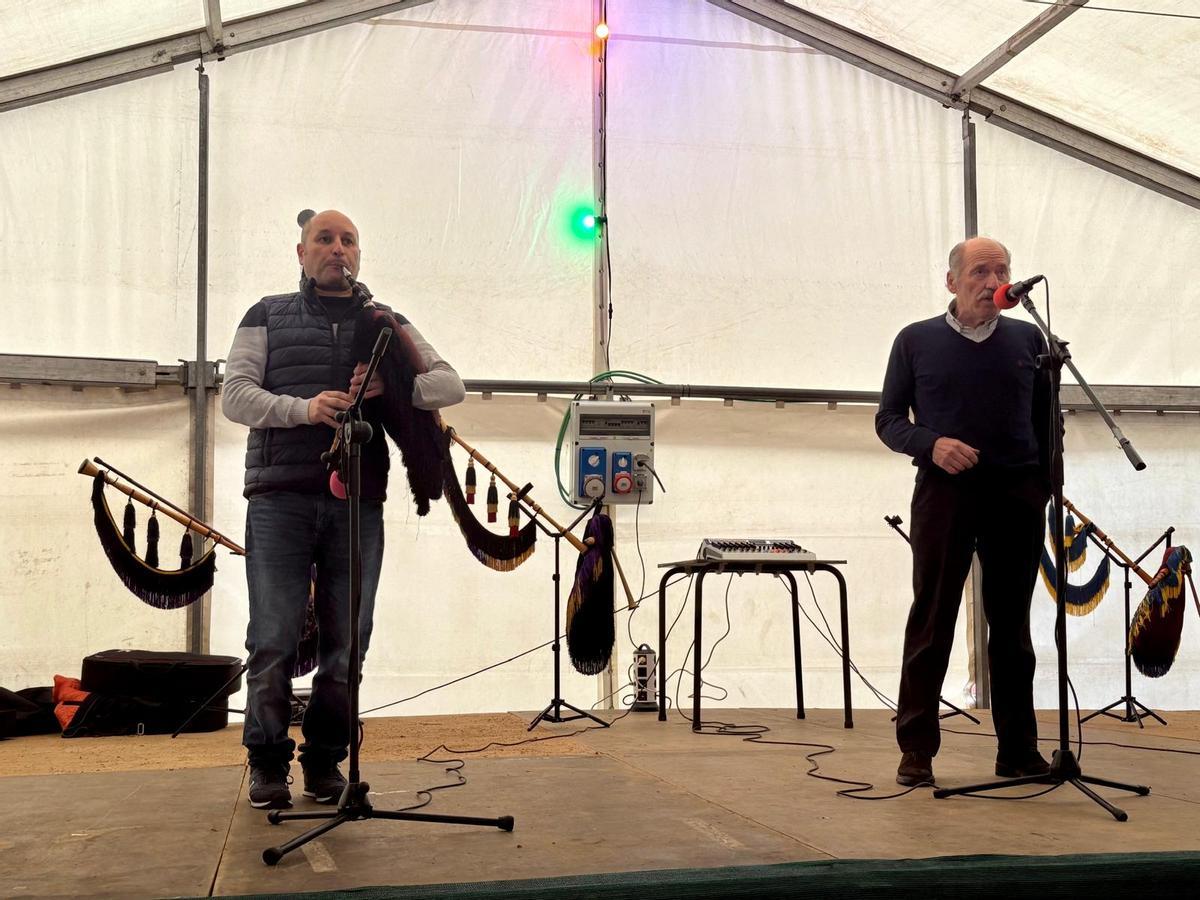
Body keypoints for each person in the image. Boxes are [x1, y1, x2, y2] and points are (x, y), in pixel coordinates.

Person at [222, 209, 465, 809]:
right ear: (300, 253)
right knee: (274, 636)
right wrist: (304, 409)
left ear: (359, 254)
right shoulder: (265, 314)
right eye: (324, 239)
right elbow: (235, 395)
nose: (338, 248)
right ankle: (268, 766)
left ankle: (326, 762)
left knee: (348, 642)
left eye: (348, 240)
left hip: (357, 498)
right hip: (279, 498)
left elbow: (450, 384)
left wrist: (394, 384)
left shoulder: (387, 323)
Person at [875, 236, 1052, 787]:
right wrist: (931, 444)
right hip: (945, 496)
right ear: (952, 282)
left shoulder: (1031, 340)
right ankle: (917, 749)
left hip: (1015, 497)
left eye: (1000, 270)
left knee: (1012, 627)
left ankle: (1018, 750)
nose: (990, 280)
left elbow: (1050, 426)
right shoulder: (915, 341)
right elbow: (888, 420)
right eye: (979, 270)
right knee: (933, 618)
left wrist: (1042, 486)